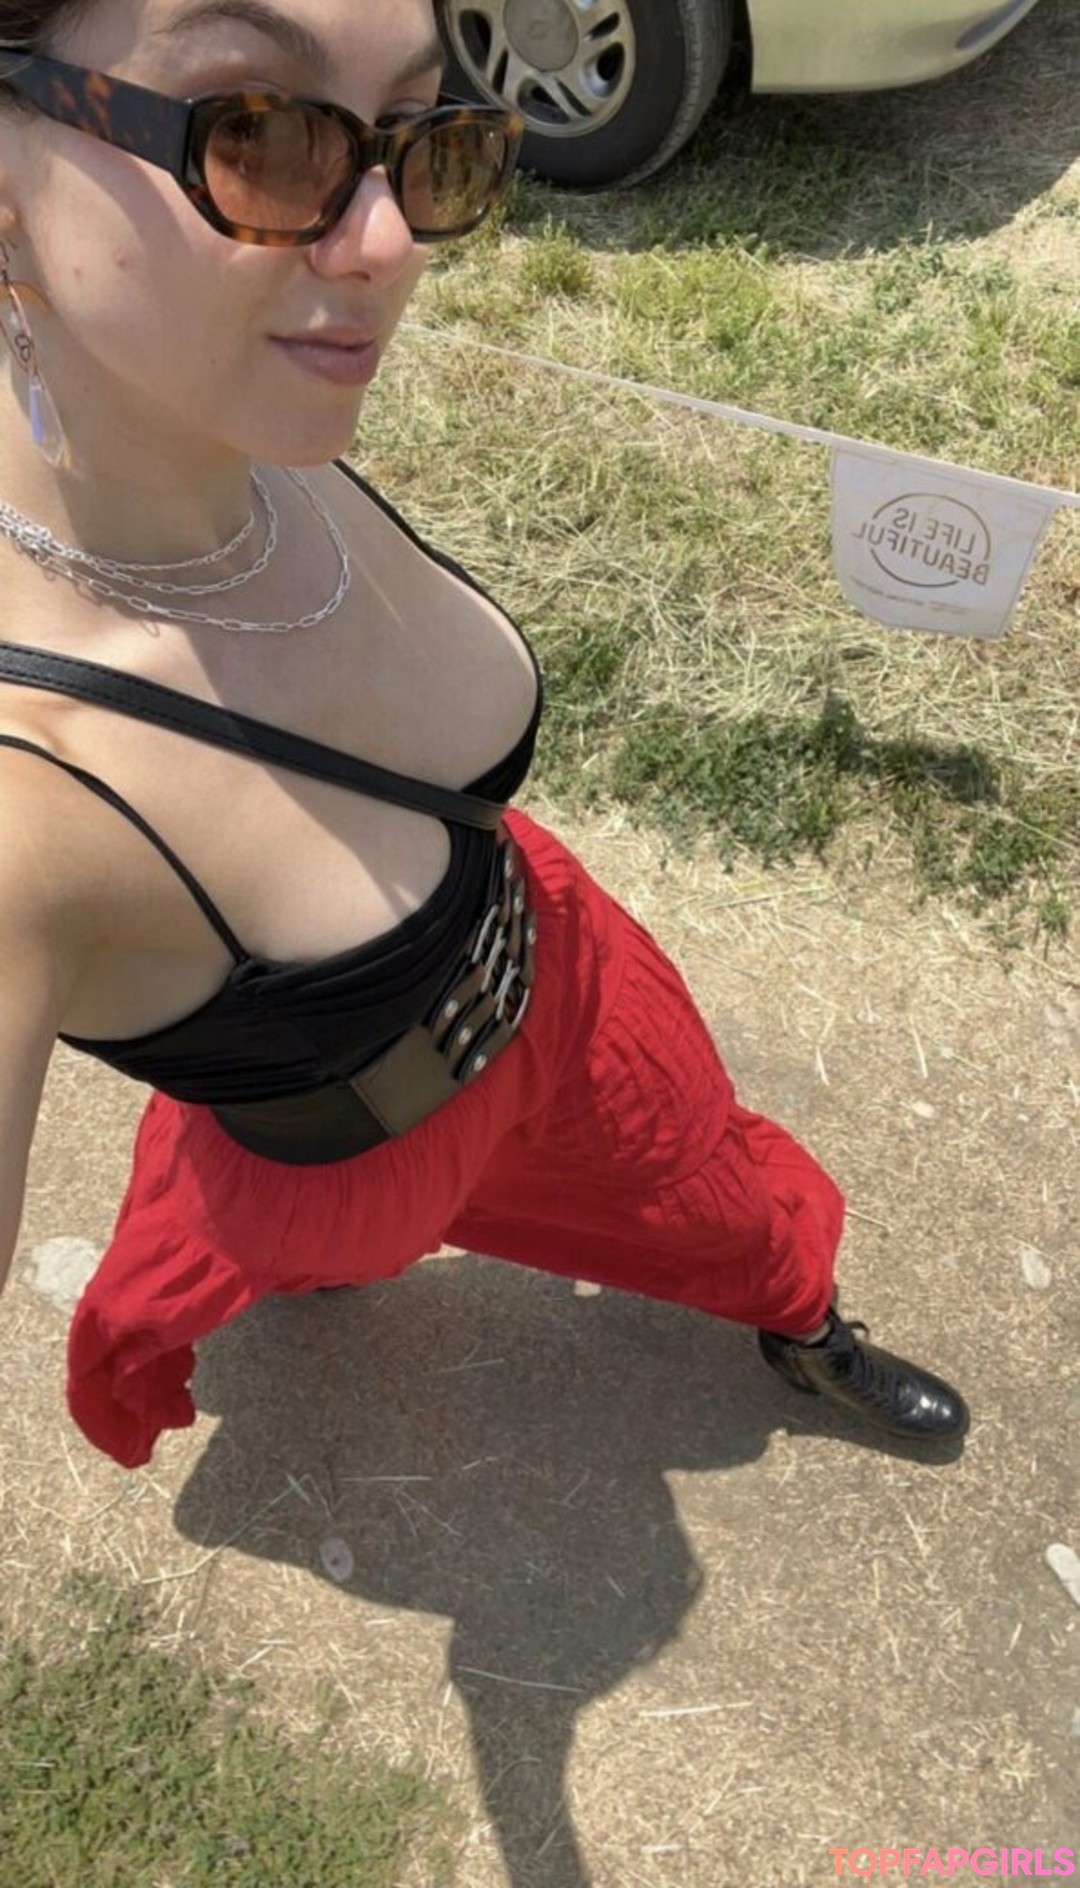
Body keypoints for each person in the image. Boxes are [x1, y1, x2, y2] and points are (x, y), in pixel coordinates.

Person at [0, 0, 968, 1472]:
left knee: (721, 1198)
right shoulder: (28, 793)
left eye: (421, 138)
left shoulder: (238, 399)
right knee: (245, 1259)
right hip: (339, 1156)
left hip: (560, 965)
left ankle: (802, 1317)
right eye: (258, 134)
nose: (391, 242)